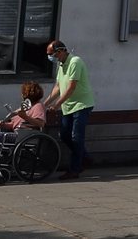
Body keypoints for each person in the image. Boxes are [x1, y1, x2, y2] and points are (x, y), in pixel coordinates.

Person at [45, 39, 94, 179]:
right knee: (65, 135)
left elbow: (71, 87)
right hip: (69, 106)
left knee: (76, 137)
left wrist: (56, 105)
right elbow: (58, 87)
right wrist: (45, 103)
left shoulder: (75, 62)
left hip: (81, 104)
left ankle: (75, 169)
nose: (51, 58)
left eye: (52, 54)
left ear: (60, 51)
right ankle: (84, 157)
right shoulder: (61, 65)